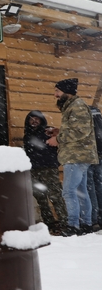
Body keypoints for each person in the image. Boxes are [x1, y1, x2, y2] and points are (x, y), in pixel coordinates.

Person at [47, 78, 99, 235]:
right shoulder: (73, 106)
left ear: (66, 92)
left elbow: (80, 131)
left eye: (57, 91)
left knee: (69, 192)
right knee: (80, 191)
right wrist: (58, 132)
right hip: (78, 155)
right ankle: (86, 224)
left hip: (76, 156)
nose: (55, 95)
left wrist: (58, 139)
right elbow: (77, 129)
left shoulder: (76, 106)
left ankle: (73, 226)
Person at [23, 111, 67, 234]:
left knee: (55, 196)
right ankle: (50, 223)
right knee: (41, 198)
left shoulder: (48, 132)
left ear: (42, 121)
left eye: (37, 119)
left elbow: (61, 145)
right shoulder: (27, 135)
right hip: (33, 170)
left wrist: (55, 162)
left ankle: (65, 222)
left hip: (49, 169)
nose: (34, 121)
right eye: (32, 119)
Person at [85, 107, 102, 228]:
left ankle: (93, 219)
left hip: (88, 159)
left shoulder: (86, 125)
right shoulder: (99, 122)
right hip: (100, 158)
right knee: (99, 188)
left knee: (90, 189)